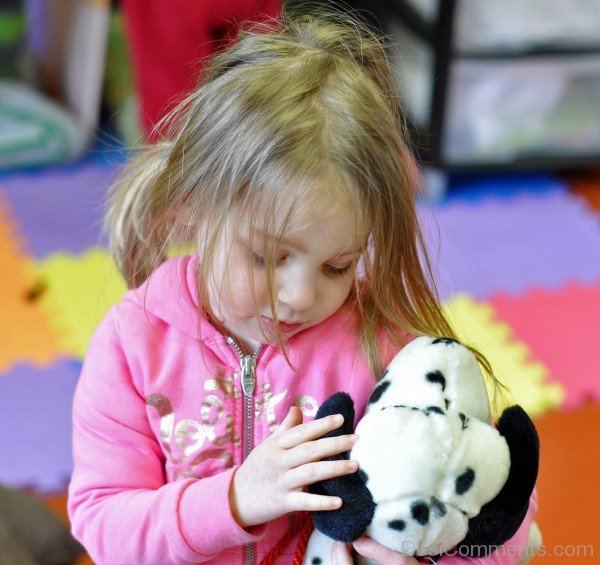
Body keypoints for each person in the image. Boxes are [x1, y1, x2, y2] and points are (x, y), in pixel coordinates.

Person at [67, 10, 538, 565]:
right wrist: (237, 499)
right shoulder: (133, 343)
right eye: (267, 257)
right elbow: (103, 524)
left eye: (337, 267)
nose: (298, 295)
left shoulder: (379, 348)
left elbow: (504, 525)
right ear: (195, 207)